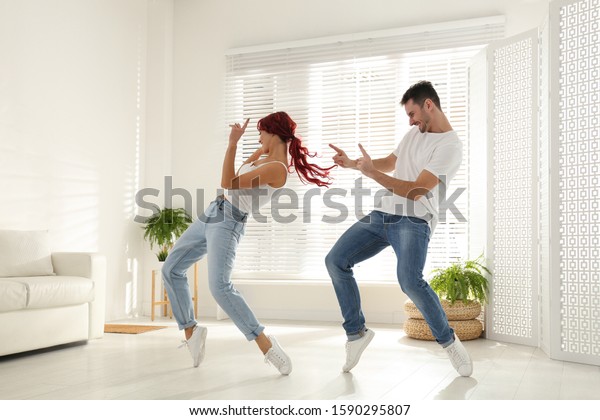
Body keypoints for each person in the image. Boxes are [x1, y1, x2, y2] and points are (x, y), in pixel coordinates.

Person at [162, 111, 332, 375]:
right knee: (171, 269)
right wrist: (245, 151)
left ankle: (266, 345)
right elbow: (234, 180)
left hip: (228, 222)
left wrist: (232, 143)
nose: (259, 137)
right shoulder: (264, 158)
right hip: (213, 211)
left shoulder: (276, 168)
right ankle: (191, 332)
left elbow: (228, 181)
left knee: (219, 287)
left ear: (274, 133)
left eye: (262, 132)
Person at [326, 80, 473, 377]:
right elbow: (391, 162)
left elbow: (417, 190)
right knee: (335, 261)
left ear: (428, 105)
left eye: (412, 113)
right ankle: (356, 334)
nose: (410, 120)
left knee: (410, 281)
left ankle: (449, 342)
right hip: (382, 213)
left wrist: (371, 174)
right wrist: (354, 164)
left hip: (414, 219)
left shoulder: (450, 146)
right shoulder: (413, 134)